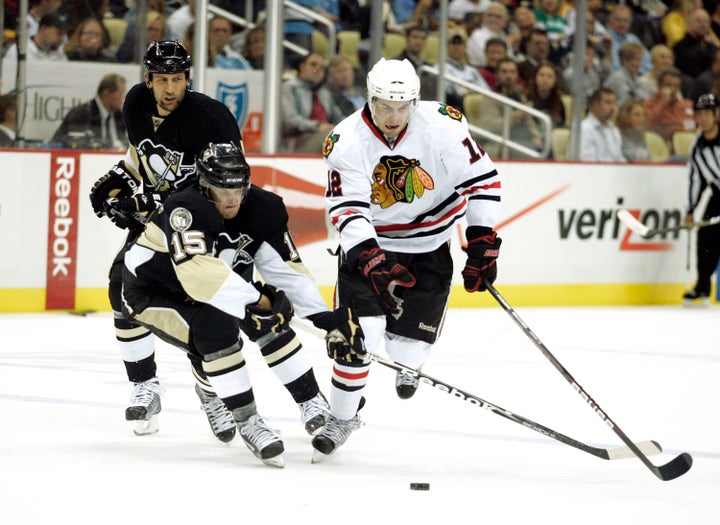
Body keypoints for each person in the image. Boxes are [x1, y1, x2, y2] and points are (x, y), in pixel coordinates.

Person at [120, 141, 365, 466]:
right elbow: (197, 274)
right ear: (206, 185)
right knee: (217, 329)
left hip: (220, 285)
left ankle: (310, 400)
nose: (233, 197)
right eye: (223, 189)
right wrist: (259, 299)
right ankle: (248, 420)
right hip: (153, 292)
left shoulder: (262, 207)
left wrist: (324, 318)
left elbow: (286, 269)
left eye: (238, 187)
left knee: (267, 317)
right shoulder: (184, 209)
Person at [315, 57, 502, 458]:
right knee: (358, 338)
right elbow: (347, 210)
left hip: (429, 249)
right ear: (370, 98)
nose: (393, 116)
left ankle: (409, 362)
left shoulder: (444, 126)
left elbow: (482, 181)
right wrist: (371, 258)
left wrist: (482, 239)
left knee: (405, 351)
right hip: (370, 248)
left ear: (415, 100)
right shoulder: (346, 140)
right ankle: (343, 415)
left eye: (402, 106)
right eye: (384, 105)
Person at [88, 40, 246, 441]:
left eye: (177, 79)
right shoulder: (136, 103)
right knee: (122, 288)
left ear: (188, 79)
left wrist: (146, 200)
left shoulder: (212, 118)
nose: (170, 88)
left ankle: (211, 392)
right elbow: (142, 157)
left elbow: (228, 183)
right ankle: (146, 385)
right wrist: (122, 179)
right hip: (156, 225)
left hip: (199, 228)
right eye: (162, 80)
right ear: (149, 79)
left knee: (203, 314)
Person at [682, 93, 720, 306]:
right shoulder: (697, 147)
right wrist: (690, 210)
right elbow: (696, 180)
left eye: (707, 113)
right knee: (706, 236)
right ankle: (702, 286)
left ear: (716, 115)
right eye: (700, 114)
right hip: (718, 194)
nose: (703, 118)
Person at [281, 52, 345, 153]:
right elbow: (290, 120)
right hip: (297, 142)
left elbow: (339, 118)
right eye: (313, 64)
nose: (318, 69)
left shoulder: (324, 93)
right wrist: (317, 126)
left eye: (322, 67)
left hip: (323, 137)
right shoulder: (288, 88)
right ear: (302, 67)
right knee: (332, 137)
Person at [51, 73, 128, 150]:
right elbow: (58, 142)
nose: (123, 99)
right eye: (121, 94)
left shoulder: (120, 117)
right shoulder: (80, 114)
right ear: (106, 94)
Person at [443, 27, 490, 113]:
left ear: (465, 46)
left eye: (460, 43)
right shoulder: (439, 68)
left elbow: (486, 92)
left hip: (478, 108)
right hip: (455, 109)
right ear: (447, 46)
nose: (457, 47)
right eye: (453, 43)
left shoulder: (472, 71)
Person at [644, 66, 695, 142]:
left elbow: (696, 125)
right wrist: (663, 101)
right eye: (668, 85)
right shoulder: (649, 104)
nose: (673, 90)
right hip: (664, 144)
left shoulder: (687, 104)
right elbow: (648, 123)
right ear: (659, 85)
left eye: (676, 86)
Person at [579, 88, 626, 162]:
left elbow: (619, 158)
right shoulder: (584, 129)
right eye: (608, 103)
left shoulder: (614, 129)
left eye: (614, 103)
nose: (613, 108)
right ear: (595, 105)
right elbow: (587, 161)